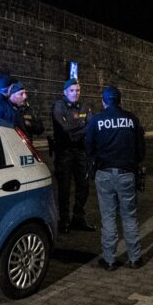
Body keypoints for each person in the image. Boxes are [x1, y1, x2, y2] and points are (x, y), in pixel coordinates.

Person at [86, 86, 145, 271]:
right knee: (129, 217)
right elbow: (141, 150)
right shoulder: (131, 119)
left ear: (104, 102)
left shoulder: (96, 120)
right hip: (127, 173)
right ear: (121, 101)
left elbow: (88, 148)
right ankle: (135, 258)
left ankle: (110, 260)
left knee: (108, 217)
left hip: (104, 174)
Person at [52, 78, 95, 233]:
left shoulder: (85, 105)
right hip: (64, 152)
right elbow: (64, 129)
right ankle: (63, 220)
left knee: (83, 185)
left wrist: (76, 131)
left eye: (77, 90)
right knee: (64, 187)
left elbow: (92, 126)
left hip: (81, 152)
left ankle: (78, 218)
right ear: (65, 92)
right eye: (72, 90)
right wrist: (82, 125)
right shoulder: (58, 106)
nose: (75, 93)